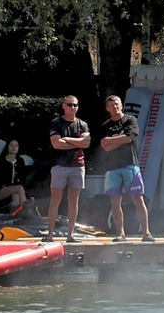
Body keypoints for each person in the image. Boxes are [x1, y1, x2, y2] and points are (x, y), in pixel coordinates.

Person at [95, 95, 147, 239]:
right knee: (115, 202)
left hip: (131, 165)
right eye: (111, 106)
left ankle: (146, 232)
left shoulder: (130, 120)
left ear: (121, 105)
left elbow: (129, 138)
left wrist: (111, 140)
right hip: (112, 168)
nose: (115, 107)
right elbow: (105, 147)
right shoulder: (106, 126)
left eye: (117, 104)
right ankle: (120, 233)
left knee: (138, 200)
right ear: (107, 108)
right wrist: (119, 140)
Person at [45, 95, 90, 237]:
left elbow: (86, 144)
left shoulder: (82, 124)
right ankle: (50, 234)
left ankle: (70, 235)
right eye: (70, 105)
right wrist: (77, 142)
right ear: (63, 106)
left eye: (75, 105)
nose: (73, 108)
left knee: (74, 202)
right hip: (60, 166)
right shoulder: (56, 123)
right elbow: (57, 144)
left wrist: (68, 140)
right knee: (55, 200)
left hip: (78, 166)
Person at [0, 138, 34, 218]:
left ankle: (16, 216)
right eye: (11, 145)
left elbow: (22, 178)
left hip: (15, 189)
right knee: (19, 188)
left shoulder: (20, 161)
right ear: (7, 147)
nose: (14, 148)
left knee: (15, 195)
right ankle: (27, 211)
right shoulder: (1, 160)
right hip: (1, 190)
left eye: (16, 146)